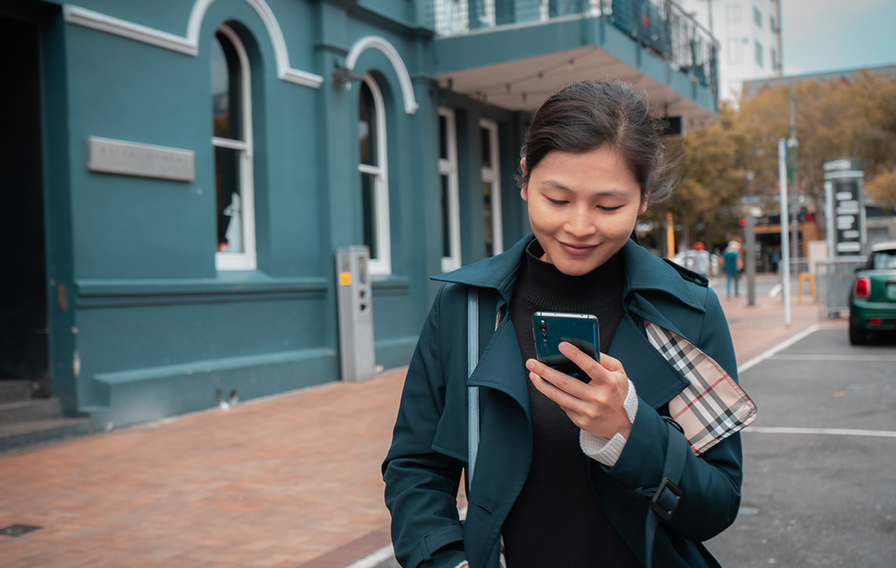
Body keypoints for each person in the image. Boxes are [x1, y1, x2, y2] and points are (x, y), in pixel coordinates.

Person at [383, 81, 743, 568]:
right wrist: (444, 559)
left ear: (644, 197)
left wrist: (629, 431)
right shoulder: (465, 308)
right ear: (526, 179)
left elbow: (717, 505)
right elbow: (416, 467)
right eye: (557, 198)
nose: (578, 226)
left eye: (608, 206)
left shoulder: (686, 312)